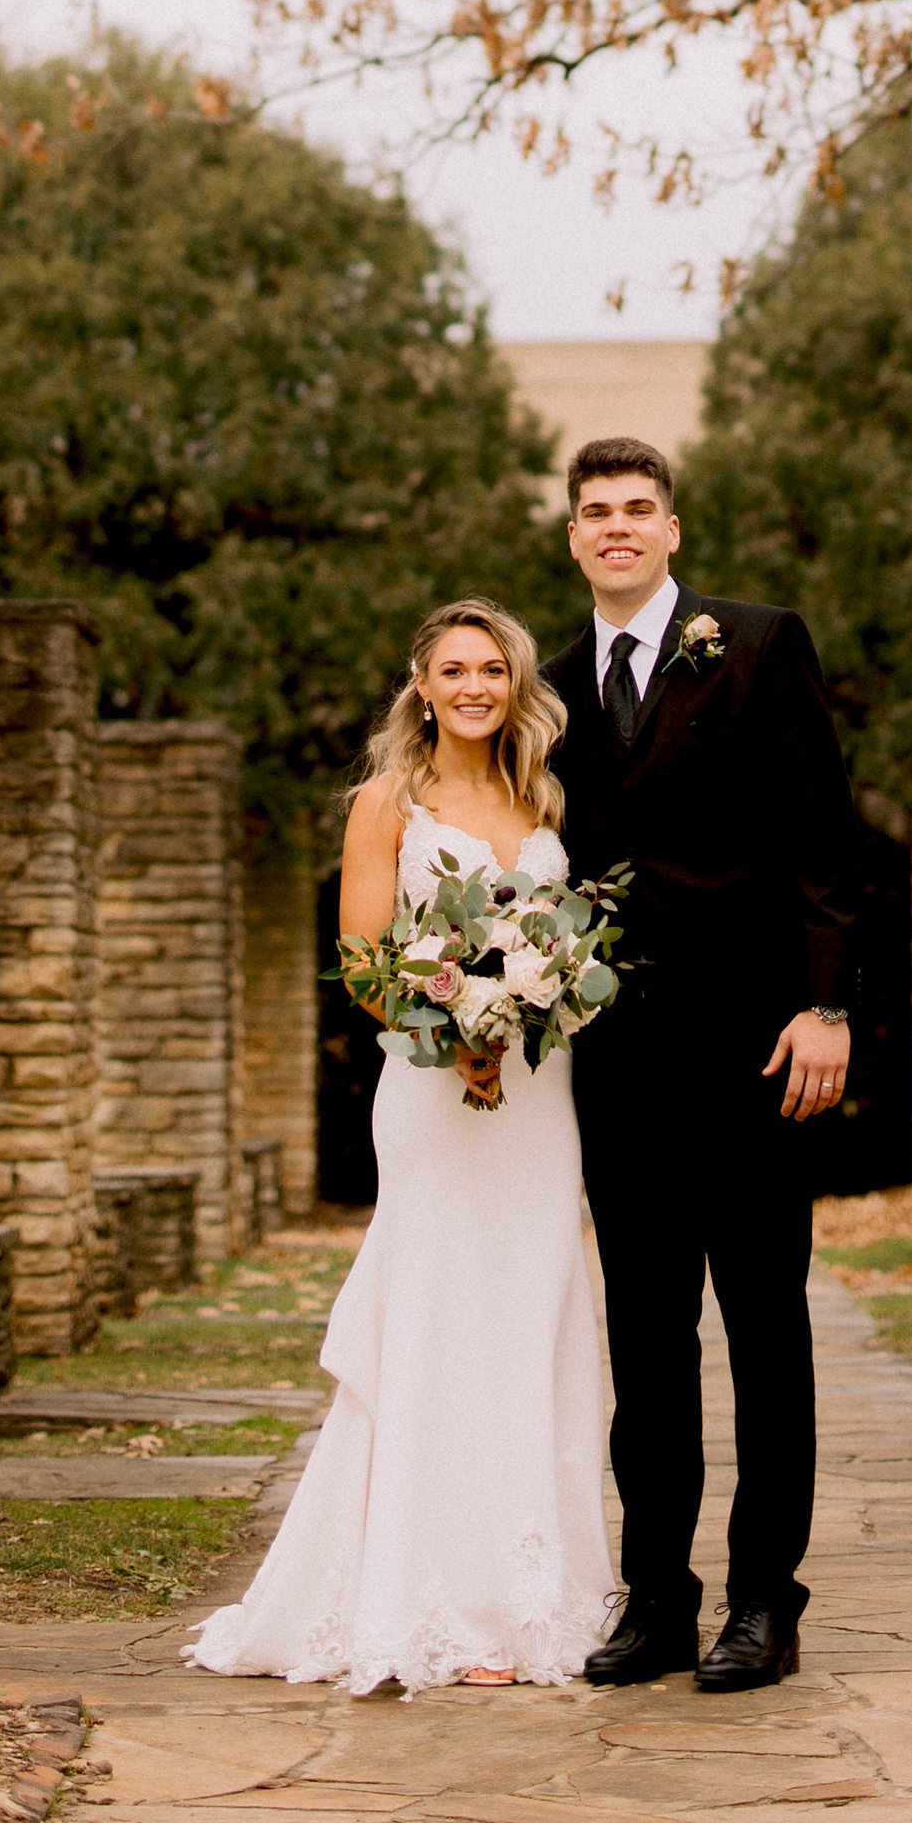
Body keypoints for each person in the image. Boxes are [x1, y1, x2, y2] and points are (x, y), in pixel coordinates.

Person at [182, 599, 615, 1693]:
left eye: (493, 671)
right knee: (437, 1319)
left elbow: (571, 938)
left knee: (532, 1315)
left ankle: (530, 1598)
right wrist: (458, 1026)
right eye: (454, 670)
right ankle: (436, 1606)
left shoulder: (545, 798)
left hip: (538, 1094)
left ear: (516, 686)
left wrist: (528, 1010)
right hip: (431, 1091)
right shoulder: (387, 804)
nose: (475, 687)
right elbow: (367, 959)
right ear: (421, 686)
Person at [545, 438, 863, 1695]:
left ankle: (762, 1606)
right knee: (648, 1342)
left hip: (757, 1055)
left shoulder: (760, 641)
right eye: (595, 513)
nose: (617, 527)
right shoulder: (552, 688)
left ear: (672, 530)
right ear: (573, 537)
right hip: (617, 1069)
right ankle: (659, 1600)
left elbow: (825, 839)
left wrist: (825, 1005)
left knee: (767, 1333)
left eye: (638, 509)